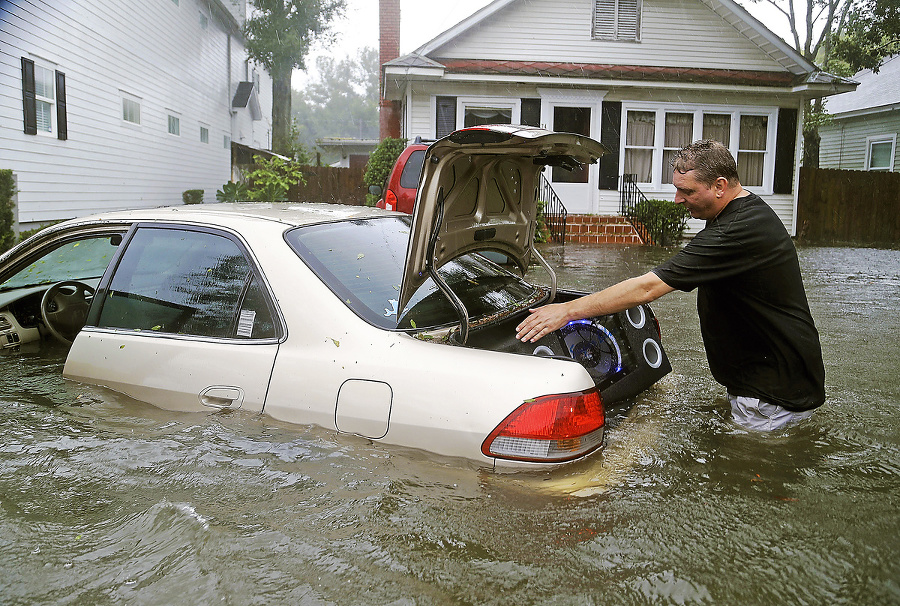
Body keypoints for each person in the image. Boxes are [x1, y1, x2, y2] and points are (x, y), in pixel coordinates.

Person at [516, 139, 825, 431]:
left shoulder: (737, 230)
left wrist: (566, 311)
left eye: (686, 191)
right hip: (774, 381)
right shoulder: (741, 213)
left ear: (720, 186)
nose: (677, 200)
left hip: (770, 396)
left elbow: (647, 288)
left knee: (759, 476)